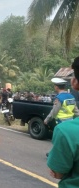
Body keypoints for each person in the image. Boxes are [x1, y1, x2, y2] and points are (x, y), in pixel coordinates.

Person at [47, 57, 79, 188]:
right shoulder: (71, 97)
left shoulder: (59, 98)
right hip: (71, 121)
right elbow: (76, 111)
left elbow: (54, 112)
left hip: (62, 125)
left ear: (74, 82)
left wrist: (47, 119)